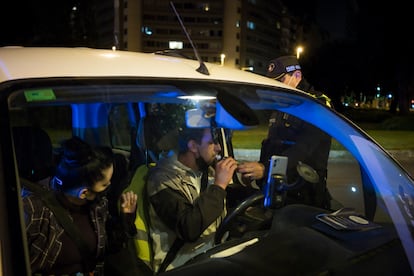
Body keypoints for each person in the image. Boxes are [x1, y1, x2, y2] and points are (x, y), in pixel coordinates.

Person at [22, 136, 138, 275]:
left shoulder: (97, 204)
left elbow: (109, 247)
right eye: (105, 184)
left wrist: (125, 219)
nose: (109, 186)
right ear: (84, 193)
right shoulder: (34, 210)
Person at [238, 55, 332, 210]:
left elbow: (305, 148)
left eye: (279, 81)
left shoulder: (316, 104)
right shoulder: (284, 103)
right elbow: (272, 145)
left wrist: (265, 169)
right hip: (279, 189)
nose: (274, 87)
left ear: (297, 76)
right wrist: (258, 173)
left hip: (304, 195)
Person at [146, 127, 238, 272]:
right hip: (181, 266)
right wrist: (219, 185)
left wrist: (257, 174)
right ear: (193, 146)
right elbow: (189, 227)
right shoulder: (161, 180)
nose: (219, 147)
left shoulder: (207, 170)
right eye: (212, 142)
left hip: (212, 256)